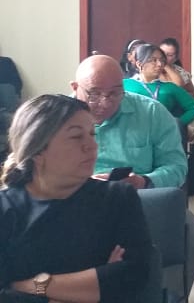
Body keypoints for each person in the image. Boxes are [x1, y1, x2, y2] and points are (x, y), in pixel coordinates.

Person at [71, 55, 194, 295]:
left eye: (115, 93)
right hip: (74, 205)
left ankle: (163, 293)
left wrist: (144, 181)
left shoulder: (151, 112)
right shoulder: (57, 117)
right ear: (75, 88)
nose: (105, 102)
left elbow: (177, 167)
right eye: (94, 94)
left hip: (139, 200)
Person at [0, 95, 152, 302]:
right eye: (76, 136)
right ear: (37, 150)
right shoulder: (5, 208)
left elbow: (134, 276)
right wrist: (94, 283)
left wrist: (31, 285)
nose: (92, 145)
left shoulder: (117, 197)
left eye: (92, 134)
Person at [123, 43, 194, 145]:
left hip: (164, 139)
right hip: (135, 138)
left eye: (162, 60)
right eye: (153, 60)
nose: (160, 64)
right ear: (139, 64)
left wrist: (176, 123)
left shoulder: (170, 87)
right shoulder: (125, 85)